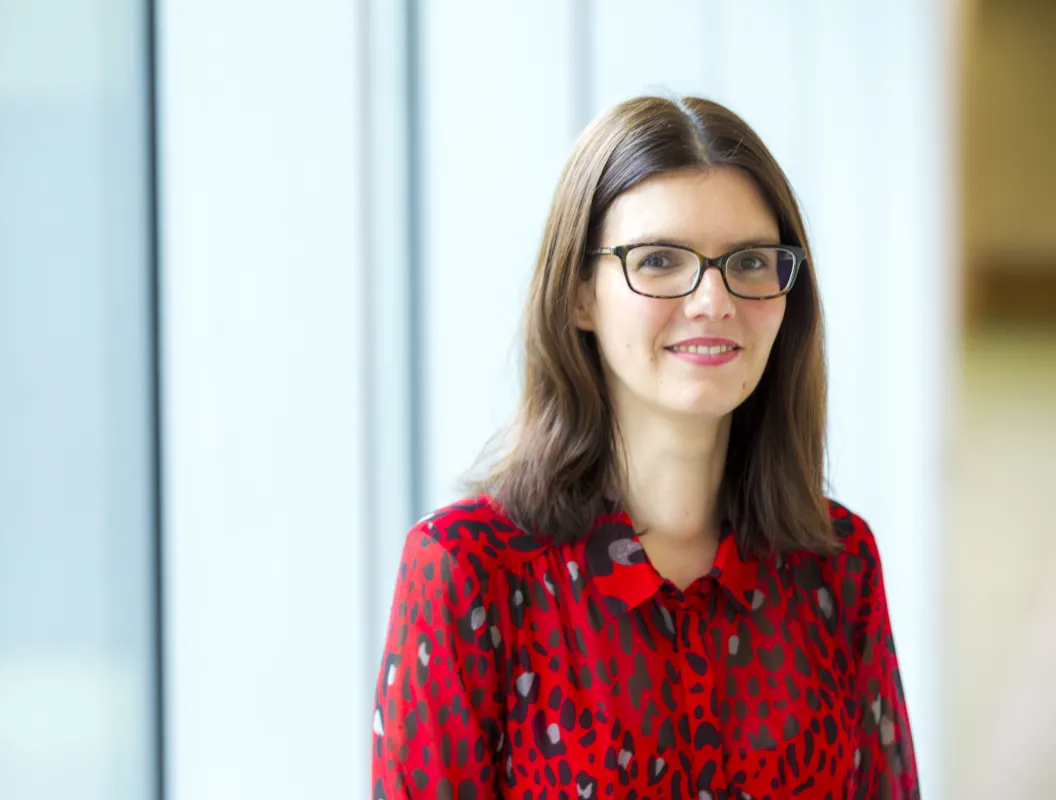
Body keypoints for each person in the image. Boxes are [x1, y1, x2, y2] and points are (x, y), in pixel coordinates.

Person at [370, 95, 919, 799]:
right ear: (578, 295)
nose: (713, 300)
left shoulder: (837, 567)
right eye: (659, 260)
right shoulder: (469, 573)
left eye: (749, 261)